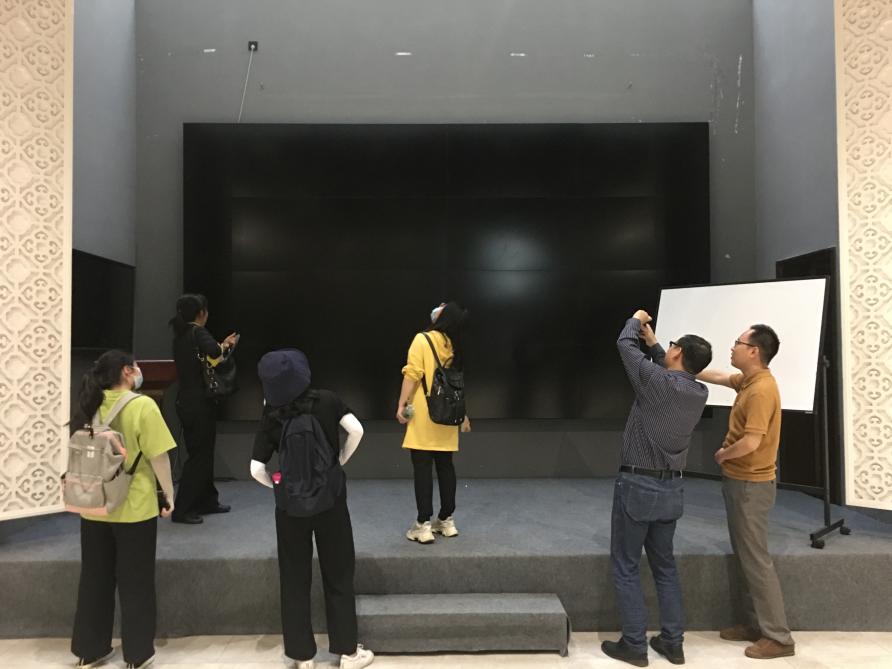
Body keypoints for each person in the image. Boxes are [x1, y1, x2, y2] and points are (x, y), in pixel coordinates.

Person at [601, 310, 712, 668]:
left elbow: (624, 344)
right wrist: (656, 345)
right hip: (671, 490)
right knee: (665, 567)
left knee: (626, 565)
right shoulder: (699, 391)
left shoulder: (657, 382)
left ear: (677, 352)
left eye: (673, 347)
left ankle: (634, 645)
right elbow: (670, 370)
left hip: (638, 485)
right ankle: (672, 643)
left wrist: (634, 320)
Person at [251, 349, 374, 669]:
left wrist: (280, 487)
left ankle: (301, 655)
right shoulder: (327, 400)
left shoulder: (271, 413)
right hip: (331, 501)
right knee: (339, 573)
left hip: (290, 509)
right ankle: (348, 652)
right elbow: (357, 430)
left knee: (294, 578)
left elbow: (255, 468)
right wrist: (338, 461)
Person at [70, 350, 177, 669]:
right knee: (136, 581)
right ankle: (137, 654)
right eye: (136, 367)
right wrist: (168, 493)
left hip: (93, 505)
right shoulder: (142, 405)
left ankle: (90, 650)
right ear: (128, 372)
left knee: (94, 578)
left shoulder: (89, 403)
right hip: (134, 506)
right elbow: (159, 456)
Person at [697, 324, 795, 660]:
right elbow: (720, 377)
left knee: (756, 560)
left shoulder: (761, 391)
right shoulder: (749, 381)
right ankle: (756, 624)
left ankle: (778, 637)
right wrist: (684, 366)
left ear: (754, 351)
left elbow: (752, 441)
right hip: (742, 482)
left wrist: (723, 454)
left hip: (751, 485)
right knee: (746, 557)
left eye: (738, 343)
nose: (733, 347)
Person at [396, 301, 471, 544]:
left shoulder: (422, 339)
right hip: (448, 415)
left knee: (422, 468)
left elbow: (412, 374)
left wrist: (401, 404)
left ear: (443, 316)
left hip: (424, 413)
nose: (437, 308)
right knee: (446, 466)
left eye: (441, 307)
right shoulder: (454, 344)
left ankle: (423, 525)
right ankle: (446, 521)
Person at [168, 293, 238, 524]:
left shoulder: (180, 335)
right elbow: (215, 353)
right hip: (200, 403)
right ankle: (183, 508)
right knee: (199, 457)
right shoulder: (198, 331)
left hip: (187, 401)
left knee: (203, 454)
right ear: (201, 313)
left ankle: (207, 500)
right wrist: (226, 345)